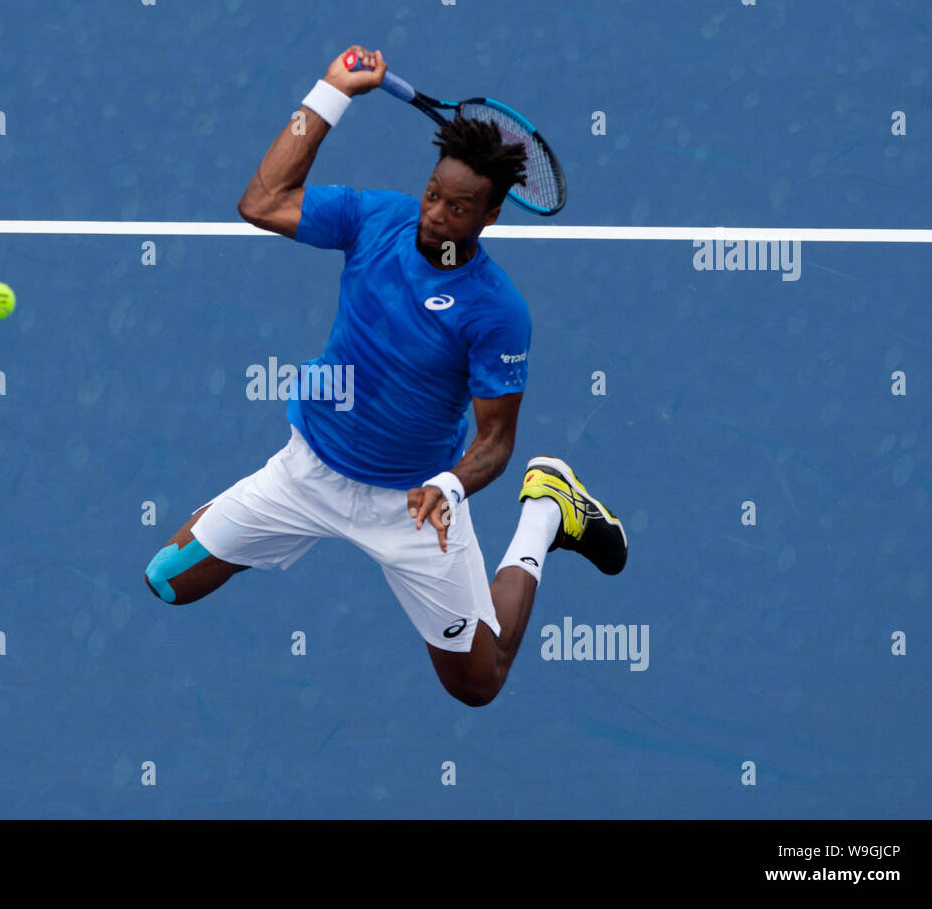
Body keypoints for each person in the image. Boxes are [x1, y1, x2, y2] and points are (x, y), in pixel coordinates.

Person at [144, 45, 627, 706]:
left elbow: (494, 443)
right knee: (169, 579)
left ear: (490, 216)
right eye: (432, 194)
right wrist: (332, 91)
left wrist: (450, 488)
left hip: (413, 507)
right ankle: (235, 518)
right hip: (305, 472)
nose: (434, 214)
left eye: (457, 208)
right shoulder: (376, 219)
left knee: (478, 683)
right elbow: (262, 202)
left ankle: (548, 509)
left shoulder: (497, 312)